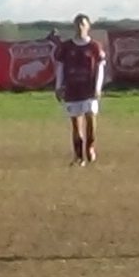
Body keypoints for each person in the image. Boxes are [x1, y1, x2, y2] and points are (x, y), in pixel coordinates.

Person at [52, 14, 106, 166]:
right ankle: (78, 156)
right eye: (77, 24)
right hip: (72, 90)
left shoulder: (94, 46)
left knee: (90, 120)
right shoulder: (67, 47)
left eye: (83, 23)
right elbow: (60, 68)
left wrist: (97, 88)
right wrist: (58, 87)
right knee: (76, 124)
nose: (80, 26)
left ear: (88, 26)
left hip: (89, 90)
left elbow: (100, 68)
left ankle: (90, 147)